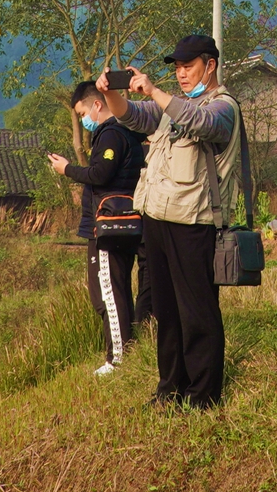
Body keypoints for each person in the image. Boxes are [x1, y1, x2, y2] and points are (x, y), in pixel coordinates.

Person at [98, 33, 239, 409]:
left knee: (197, 312)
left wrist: (154, 90)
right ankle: (170, 390)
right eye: (177, 68)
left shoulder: (223, 107)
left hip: (195, 223)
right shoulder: (170, 107)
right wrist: (113, 93)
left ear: (210, 65)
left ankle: (203, 396)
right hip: (158, 219)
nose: (182, 74)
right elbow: (132, 116)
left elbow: (200, 122)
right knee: (168, 312)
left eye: (188, 67)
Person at [48, 81, 147, 375]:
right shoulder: (122, 131)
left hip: (109, 228)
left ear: (97, 104)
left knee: (107, 293)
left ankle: (117, 358)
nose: (83, 121)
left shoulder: (112, 134)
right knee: (117, 289)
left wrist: (67, 169)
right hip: (121, 225)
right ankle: (127, 350)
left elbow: (100, 174)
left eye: (82, 114)